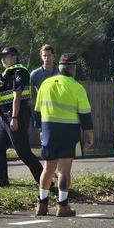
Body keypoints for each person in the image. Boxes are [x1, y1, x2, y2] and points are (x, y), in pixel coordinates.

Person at [34, 53, 94, 217]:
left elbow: (37, 112)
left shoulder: (45, 84)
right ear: (73, 68)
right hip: (68, 131)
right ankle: (62, 205)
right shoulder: (76, 87)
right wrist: (89, 134)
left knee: (47, 168)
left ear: (59, 67)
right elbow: (85, 114)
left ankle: (42, 204)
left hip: (48, 130)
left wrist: (40, 130)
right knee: (64, 171)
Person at [0, 47, 43, 187]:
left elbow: (17, 96)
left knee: (24, 152)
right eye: (2, 56)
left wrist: (14, 118)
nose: (3, 59)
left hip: (16, 117)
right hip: (5, 118)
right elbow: (5, 95)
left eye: (6, 56)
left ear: (14, 56)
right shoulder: (7, 73)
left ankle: (46, 181)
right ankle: (1, 181)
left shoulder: (20, 72)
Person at [30, 44, 58, 129]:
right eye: (44, 55)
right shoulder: (35, 73)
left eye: (49, 55)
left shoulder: (60, 72)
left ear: (53, 55)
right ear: (41, 56)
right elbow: (25, 89)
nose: (46, 58)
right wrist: (32, 100)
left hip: (58, 110)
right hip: (42, 111)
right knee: (43, 136)